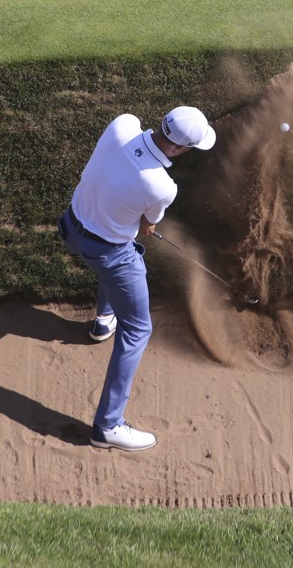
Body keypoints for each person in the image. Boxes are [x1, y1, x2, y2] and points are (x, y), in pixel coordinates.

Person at [57, 105, 216, 451]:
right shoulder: (161, 186)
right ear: (182, 149)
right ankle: (108, 426)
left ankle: (103, 319)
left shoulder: (122, 124)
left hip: (71, 227)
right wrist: (143, 220)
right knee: (138, 328)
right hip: (108, 252)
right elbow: (149, 224)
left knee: (111, 255)